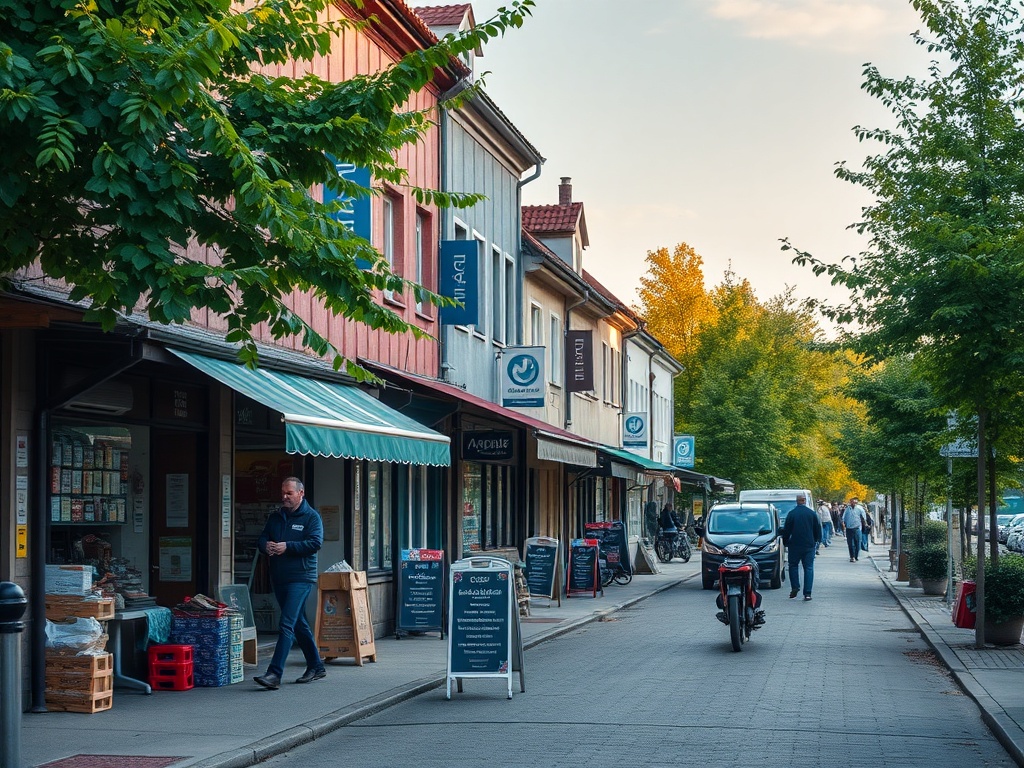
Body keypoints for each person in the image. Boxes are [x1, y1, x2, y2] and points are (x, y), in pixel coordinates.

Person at [253, 477, 325, 690]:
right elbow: (261, 539)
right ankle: (316, 666)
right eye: (283, 493)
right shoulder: (276, 517)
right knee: (298, 623)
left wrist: (287, 546)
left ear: (300, 494)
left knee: (286, 623)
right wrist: (267, 547)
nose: (284, 497)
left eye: (289, 493)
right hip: (279, 577)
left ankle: (274, 674)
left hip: (301, 578)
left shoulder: (312, 517)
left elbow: (315, 543)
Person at [782, 493, 821, 600]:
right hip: (809, 545)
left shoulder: (792, 514)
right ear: (805, 500)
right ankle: (807, 593)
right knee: (808, 568)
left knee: (793, 566)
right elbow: (817, 528)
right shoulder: (812, 514)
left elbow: (786, 530)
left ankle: (795, 587)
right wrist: (817, 541)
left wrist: (785, 542)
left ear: (797, 501)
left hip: (794, 544)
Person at [843, 497, 867, 563]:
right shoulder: (847, 509)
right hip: (849, 529)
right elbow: (843, 518)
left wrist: (865, 524)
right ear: (850, 502)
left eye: (855, 502)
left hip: (857, 528)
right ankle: (852, 557)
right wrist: (844, 526)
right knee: (851, 544)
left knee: (858, 543)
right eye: (852, 502)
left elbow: (864, 518)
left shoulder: (860, 508)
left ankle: (856, 556)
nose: (853, 503)